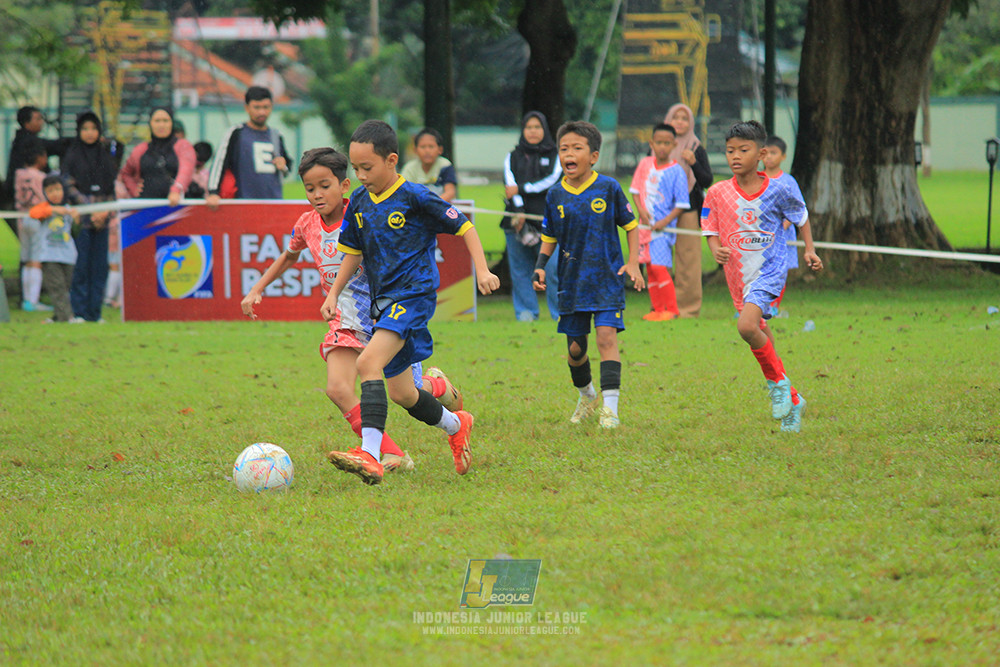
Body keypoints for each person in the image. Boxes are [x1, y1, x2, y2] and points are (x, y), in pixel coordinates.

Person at [241, 147, 466, 473]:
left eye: (324, 186)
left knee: (407, 392)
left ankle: (439, 387)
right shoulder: (306, 224)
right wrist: (257, 288)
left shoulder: (362, 213)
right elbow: (289, 255)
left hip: (382, 314)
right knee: (337, 388)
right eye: (310, 188)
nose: (317, 195)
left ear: (344, 185)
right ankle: (388, 453)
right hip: (344, 319)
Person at [322, 120, 499, 485]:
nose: (360, 175)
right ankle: (456, 424)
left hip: (414, 296)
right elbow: (352, 253)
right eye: (355, 169)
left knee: (367, 364)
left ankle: (369, 454)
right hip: (382, 304)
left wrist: (482, 270)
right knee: (403, 393)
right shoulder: (358, 200)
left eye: (366, 168)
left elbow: (464, 226)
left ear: (391, 160)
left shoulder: (415, 196)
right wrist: (333, 292)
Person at [701, 120, 823, 433]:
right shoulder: (717, 193)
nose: (735, 156)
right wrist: (715, 249)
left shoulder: (779, 189)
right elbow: (710, 228)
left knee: (745, 326)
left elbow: (801, 216)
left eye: (744, 149)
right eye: (730, 151)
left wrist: (809, 250)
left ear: (762, 154)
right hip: (738, 275)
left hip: (770, 269)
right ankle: (794, 400)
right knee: (759, 330)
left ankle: (778, 386)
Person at [531, 120, 645, 429]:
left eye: (577, 148)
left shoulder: (608, 187)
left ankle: (611, 410)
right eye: (564, 148)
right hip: (571, 282)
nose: (569, 153)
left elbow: (631, 226)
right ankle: (587, 395)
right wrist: (541, 264)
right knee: (575, 351)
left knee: (606, 338)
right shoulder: (555, 195)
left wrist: (633, 262)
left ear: (593, 156)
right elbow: (550, 235)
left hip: (606, 279)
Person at [500, 111, 562, 322]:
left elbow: (552, 180)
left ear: (544, 130)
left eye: (537, 127)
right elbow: (510, 187)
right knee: (520, 270)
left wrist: (523, 189)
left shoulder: (556, 154)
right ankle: (526, 312)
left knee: (553, 269)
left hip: (547, 222)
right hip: (517, 221)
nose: (533, 131)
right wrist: (518, 212)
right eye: (529, 127)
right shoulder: (512, 156)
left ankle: (560, 314)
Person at [629, 123, 689, 321]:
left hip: (662, 229)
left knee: (659, 267)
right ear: (651, 143)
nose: (662, 147)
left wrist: (664, 221)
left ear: (674, 144)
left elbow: (681, 203)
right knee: (649, 268)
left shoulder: (677, 171)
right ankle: (657, 309)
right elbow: (636, 191)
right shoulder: (645, 164)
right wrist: (641, 211)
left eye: (666, 143)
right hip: (644, 227)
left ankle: (672, 310)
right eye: (658, 142)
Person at [62, 111, 117, 323]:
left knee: (99, 267)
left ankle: (95, 313)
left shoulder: (104, 156)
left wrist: (105, 212)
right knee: (81, 266)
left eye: (94, 128)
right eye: (85, 129)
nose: (90, 133)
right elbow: (69, 186)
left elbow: (111, 188)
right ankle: (79, 312)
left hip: (103, 220)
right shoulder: (73, 155)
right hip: (82, 220)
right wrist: (90, 210)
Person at [663, 103, 714, 318]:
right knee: (660, 259)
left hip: (689, 209)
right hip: (661, 211)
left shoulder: (696, 147)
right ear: (668, 120)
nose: (680, 122)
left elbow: (706, 181)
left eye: (685, 118)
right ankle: (662, 306)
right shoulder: (660, 145)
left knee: (688, 260)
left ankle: (687, 309)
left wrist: (694, 164)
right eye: (676, 117)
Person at [205, 86, 291, 205]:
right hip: (244, 203)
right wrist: (213, 192)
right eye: (257, 107)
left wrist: (283, 166)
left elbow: (287, 168)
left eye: (266, 107)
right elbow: (219, 163)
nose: (262, 112)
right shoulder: (236, 133)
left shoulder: (276, 135)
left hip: (274, 203)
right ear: (247, 108)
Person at [3, 106, 70, 228]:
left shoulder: (20, 143)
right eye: (38, 119)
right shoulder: (29, 144)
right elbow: (56, 146)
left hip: (22, 211)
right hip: (35, 212)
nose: (42, 122)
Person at [119, 108, 196, 207]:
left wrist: (176, 190)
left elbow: (186, 171)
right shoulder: (140, 149)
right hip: (146, 208)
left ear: (172, 123)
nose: (161, 125)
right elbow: (126, 173)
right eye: (157, 121)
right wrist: (134, 189)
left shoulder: (183, 146)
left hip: (176, 206)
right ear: (150, 124)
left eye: (165, 121)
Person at [28, 175, 79, 322]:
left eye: (58, 189)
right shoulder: (45, 208)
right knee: (57, 287)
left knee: (66, 287)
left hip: (68, 255)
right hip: (49, 255)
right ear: (45, 193)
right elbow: (34, 213)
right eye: (50, 190)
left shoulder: (69, 209)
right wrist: (53, 210)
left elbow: (75, 232)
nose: (55, 193)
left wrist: (76, 220)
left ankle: (59, 316)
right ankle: (66, 318)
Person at [762, 135, 802, 317]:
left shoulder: (788, 181)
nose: (769, 157)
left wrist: (782, 227)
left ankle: (773, 306)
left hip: (781, 237)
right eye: (765, 153)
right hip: (758, 235)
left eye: (773, 153)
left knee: (778, 272)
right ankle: (753, 307)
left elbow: (796, 209)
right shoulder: (755, 179)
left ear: (783, 156)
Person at [14, 140, 50, 312]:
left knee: (26, 258)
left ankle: (26, 300)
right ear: (39, 158)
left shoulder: (18, 175)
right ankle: (33, 301)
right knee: (36, 259)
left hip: (21, 218)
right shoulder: (42, 178)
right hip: (37, 218)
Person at [399, 127, 457, 201]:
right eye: (423, 147)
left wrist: (432, 205)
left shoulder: (445, 166)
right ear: (415, 150)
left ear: (440, 149)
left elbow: (450, 192)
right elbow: (404, 193)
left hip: (441, 208)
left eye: (431, 146)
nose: (427, 151)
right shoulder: (409, 168)